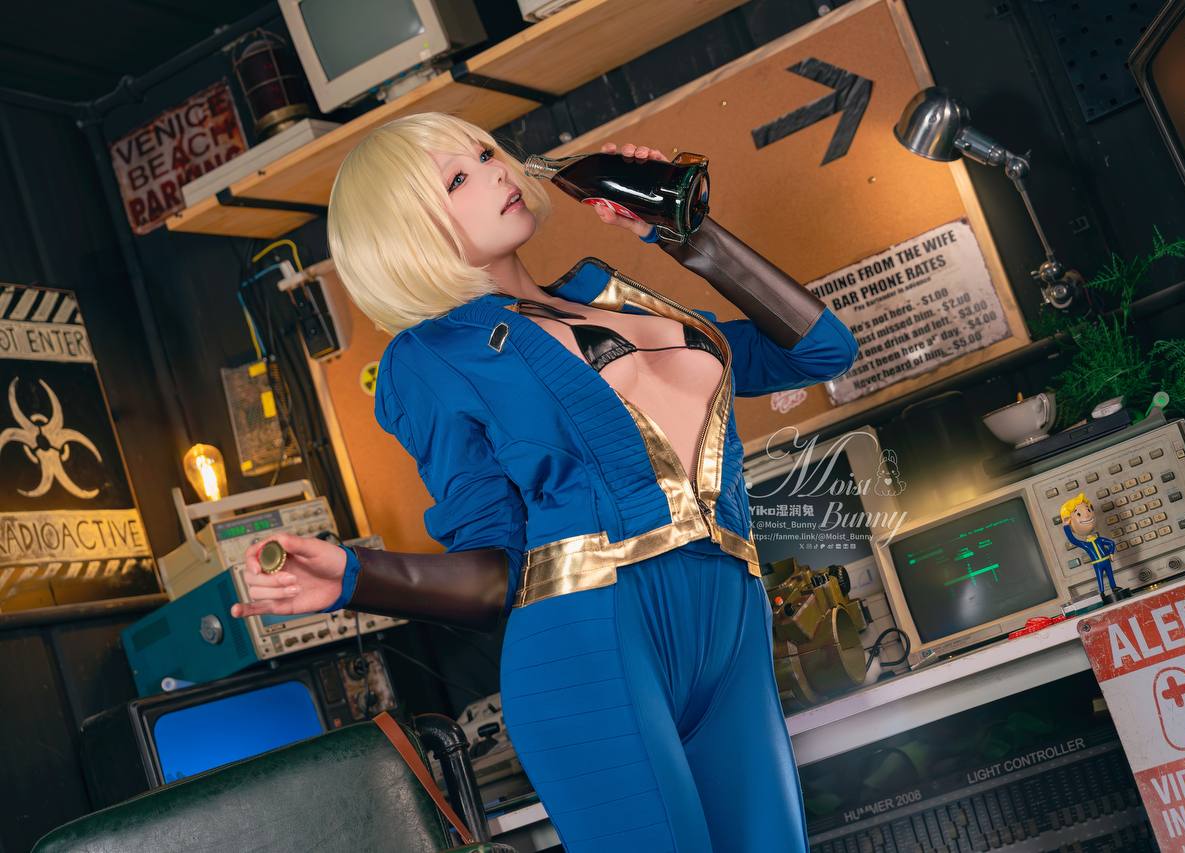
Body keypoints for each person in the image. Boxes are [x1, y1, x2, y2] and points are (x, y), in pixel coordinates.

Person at [230, 112, 860, 852]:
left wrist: (685, 233)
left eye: (486, 152)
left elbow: (820, 350)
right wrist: (354, 578)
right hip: (591, 647)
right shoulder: (433, 357)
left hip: (730, 631)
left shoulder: (616, 298)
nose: (497, 169)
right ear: (407, 235)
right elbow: (495, 573)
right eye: (457, 179)